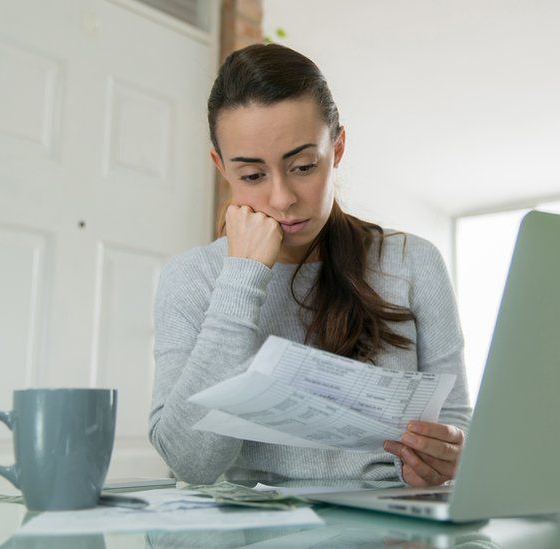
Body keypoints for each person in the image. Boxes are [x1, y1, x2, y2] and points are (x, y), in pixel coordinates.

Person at [149, 43, 472, 488]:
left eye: (303, 166)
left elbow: (457, 427)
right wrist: (242, 280)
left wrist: (450, 454)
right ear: (221, 168)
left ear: (336, 149)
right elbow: (192, 464)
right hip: (252, 532)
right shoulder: (191, 278)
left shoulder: (412, 262)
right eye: (252, 176)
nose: (282, 199)